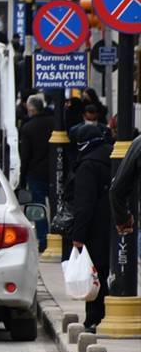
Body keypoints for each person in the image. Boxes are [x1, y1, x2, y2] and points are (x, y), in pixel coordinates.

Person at [66, 125, 113, 332]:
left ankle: (94, 318)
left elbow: (84, 205)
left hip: (95, 229)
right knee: (110, 273)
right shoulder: (113, 155)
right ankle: (108, 313)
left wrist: (78, 235)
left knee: (94, 274)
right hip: (116, 225)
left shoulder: (87, 165)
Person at [18, 94, 54, 252]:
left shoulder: (28, 127)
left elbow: (25, 156)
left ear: (31, 108)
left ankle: (44, 240)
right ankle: (57, 236)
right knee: (57, 206)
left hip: (35, 173)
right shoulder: (55, 122)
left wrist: (22, 178)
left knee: (38, 208)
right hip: (55, 172)